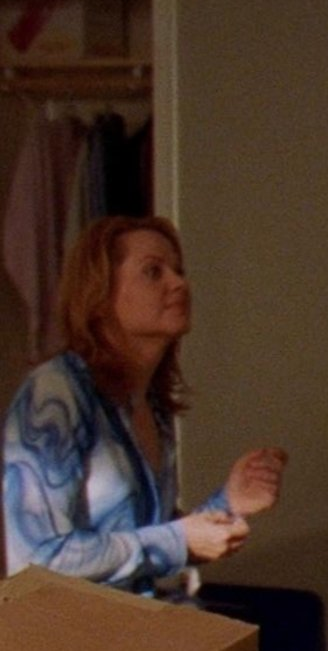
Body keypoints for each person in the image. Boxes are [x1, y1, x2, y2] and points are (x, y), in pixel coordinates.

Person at [2, 215, 288, 598]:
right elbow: (36, 562)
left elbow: (149, 542)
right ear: (100, 295)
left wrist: (230, 502)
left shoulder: (150, 404)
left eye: (179, 271)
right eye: (153, 271)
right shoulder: (56, 393)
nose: (179, 283)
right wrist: (179, 541)